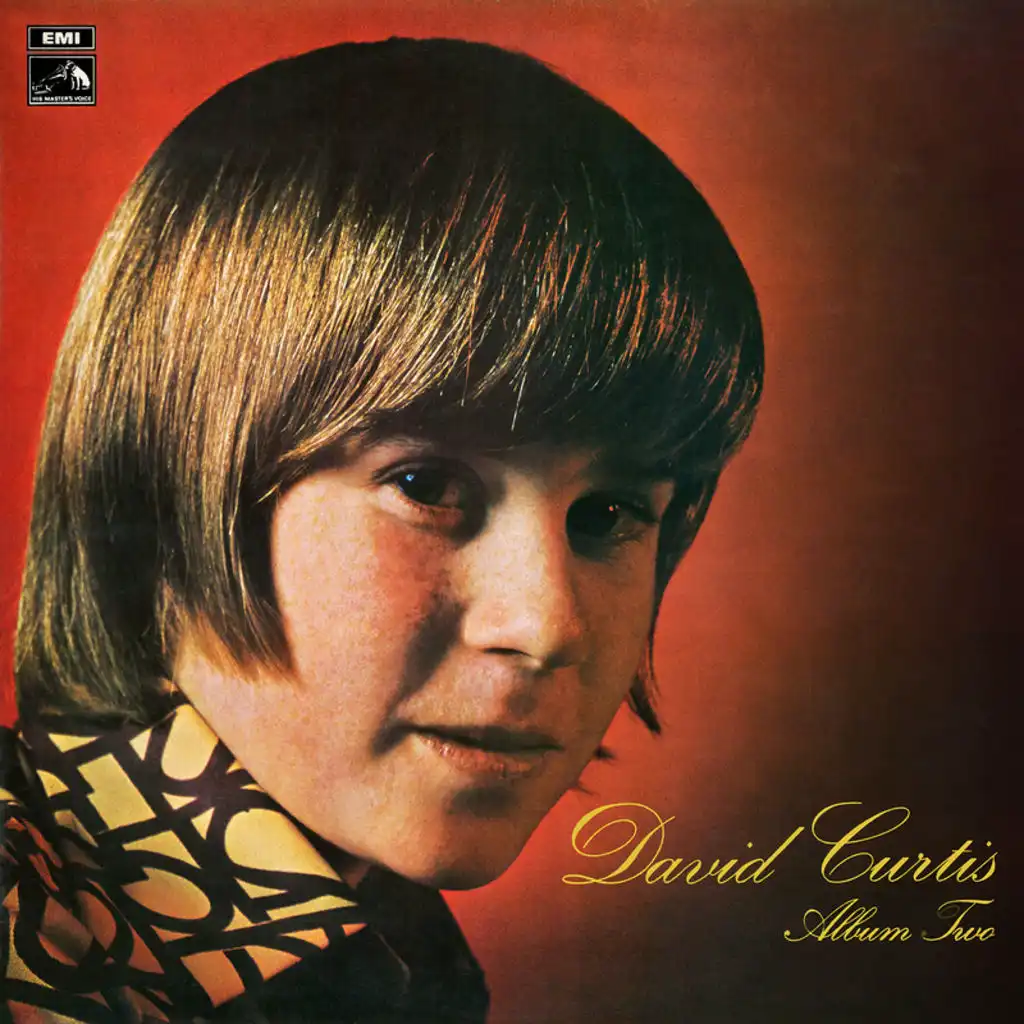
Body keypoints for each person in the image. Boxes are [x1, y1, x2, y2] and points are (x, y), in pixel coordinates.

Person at [1, 38, 763, 1023]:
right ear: (161, 475)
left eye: (607, 515)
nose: (548, 626)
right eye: (426, 484)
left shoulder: (387, 960)